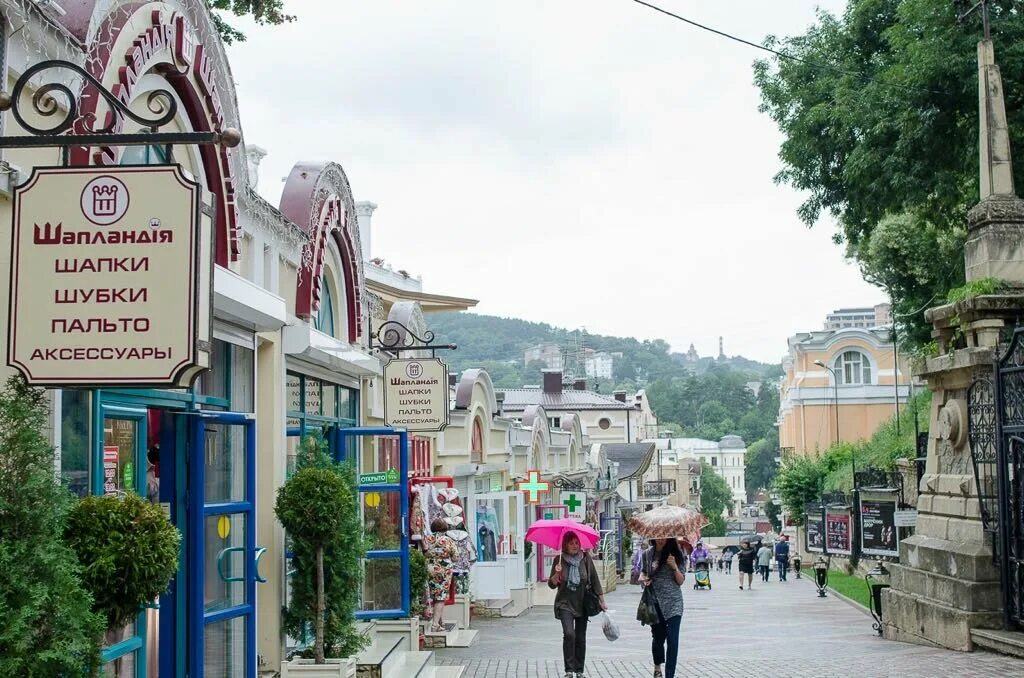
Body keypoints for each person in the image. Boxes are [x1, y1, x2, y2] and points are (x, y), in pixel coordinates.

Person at [549, 532, 607, 678]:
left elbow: (594, 580)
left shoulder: (586, 559)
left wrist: (602, 600)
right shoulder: (559, 560)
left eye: (576, 543)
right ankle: (569, 670)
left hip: (582, 603)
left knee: (580, 637)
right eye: (571, 543)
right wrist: (557, 574)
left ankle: (579, 670)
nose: (574, 546)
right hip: (565, 603)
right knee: (569, 634)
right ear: (565, 545)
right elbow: (551, 584)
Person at [639, 538, 686, 678]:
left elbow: (681, 581)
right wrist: (644, 579)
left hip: (673, 603)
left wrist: (675, 567)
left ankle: (669, 675)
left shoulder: (676, 554)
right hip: (655, 602)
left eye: (664, 537)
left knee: (673, 640)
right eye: (658, 537)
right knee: (658, 638)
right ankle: (657, 666)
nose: (660, 540)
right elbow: (642, 573)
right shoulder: (647, 554)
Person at [423, 518, 459, 632]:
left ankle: (439, 621)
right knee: (440, 598)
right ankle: (434, 625)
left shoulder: (427, 539)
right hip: (444, 571)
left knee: (434, 595)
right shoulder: (448, 541)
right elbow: (455, 557)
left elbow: (424, 553)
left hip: (430, 569)